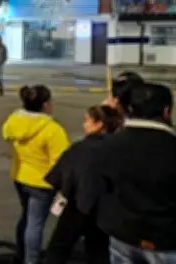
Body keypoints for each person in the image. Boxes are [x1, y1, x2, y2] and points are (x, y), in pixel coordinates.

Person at [96, 83, 176, 264]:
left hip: (123, 234)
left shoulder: (109, 145)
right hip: (166, 239)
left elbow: (102, 187)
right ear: (166, 112)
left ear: (129, 109)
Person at [44, 104, 123, 264]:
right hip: (107, 208)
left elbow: (59, 176)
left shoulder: (81, 148)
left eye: (87, 121)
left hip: (77, 205)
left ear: (99, 124)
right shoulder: (120, 148)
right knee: (99, 251)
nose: (84, 125)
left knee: (58, 248)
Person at [2, 85, 71, 264]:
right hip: (43, 182)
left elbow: (6, 133)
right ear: (45, 105)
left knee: (26, 217)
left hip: (20, 176)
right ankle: (31, 259)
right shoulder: (52, 129)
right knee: (35, 223)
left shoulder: (15, 120)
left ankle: (20, 254)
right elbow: (61, 160)